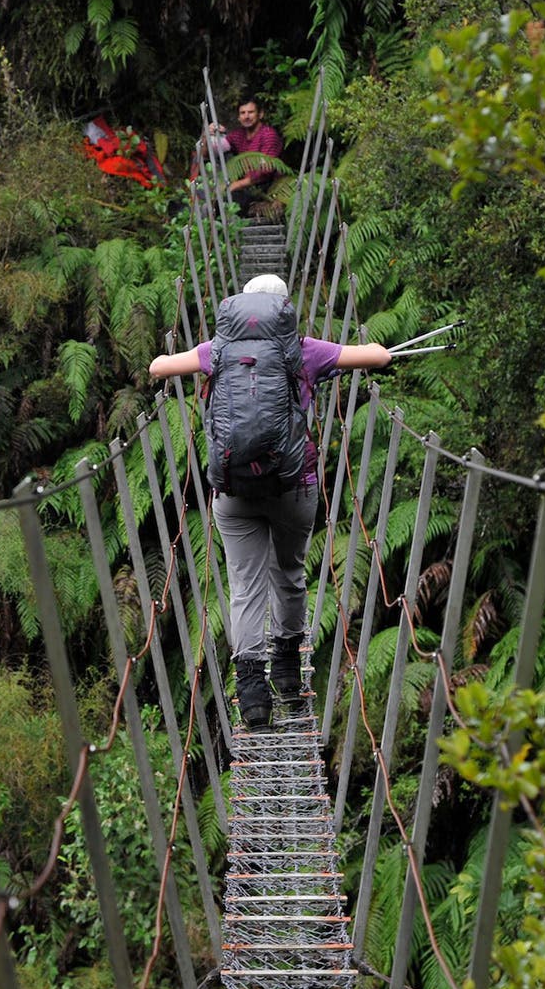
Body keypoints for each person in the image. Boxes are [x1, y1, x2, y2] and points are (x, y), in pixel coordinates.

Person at [147, 274, 390, 729]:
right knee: (291, 576)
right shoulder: (304, 349)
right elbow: (377, 355)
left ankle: (254, 696)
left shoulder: (215, 349)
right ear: (284, 312)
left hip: (233, 492)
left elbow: (159, 367)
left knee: (244, 588)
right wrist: (354, 362)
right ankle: (287, 673)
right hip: (294, 486)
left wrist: (176, 358)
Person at [205, 98, 283, 217]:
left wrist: (233, 186)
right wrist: (208, 134)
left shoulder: (268, 135)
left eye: (251, 112)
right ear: (238, 117)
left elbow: (265, 171)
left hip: (266, 188)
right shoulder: (239, 135)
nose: (246, 116)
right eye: (243, 113)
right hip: (245, 186)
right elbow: (215, 150)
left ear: (260, 114)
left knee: (228, 201)